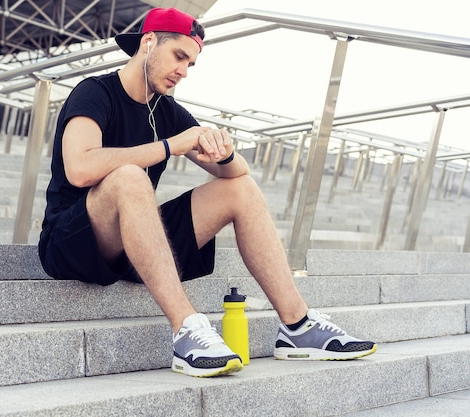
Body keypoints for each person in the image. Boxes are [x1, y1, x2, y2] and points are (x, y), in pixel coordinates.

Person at [38, 7, 377, 378]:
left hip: (133, 248)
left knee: (241, 190)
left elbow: (238, 172)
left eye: (191, 64)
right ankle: (187, 330)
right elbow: (81, 167)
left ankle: (298, 327)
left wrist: (223, 149)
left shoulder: (165, 110)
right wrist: (171, 146)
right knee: (130, 178)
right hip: (71, 243)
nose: (184, 70)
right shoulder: (95, 92)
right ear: (148, 43)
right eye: (179, 56)